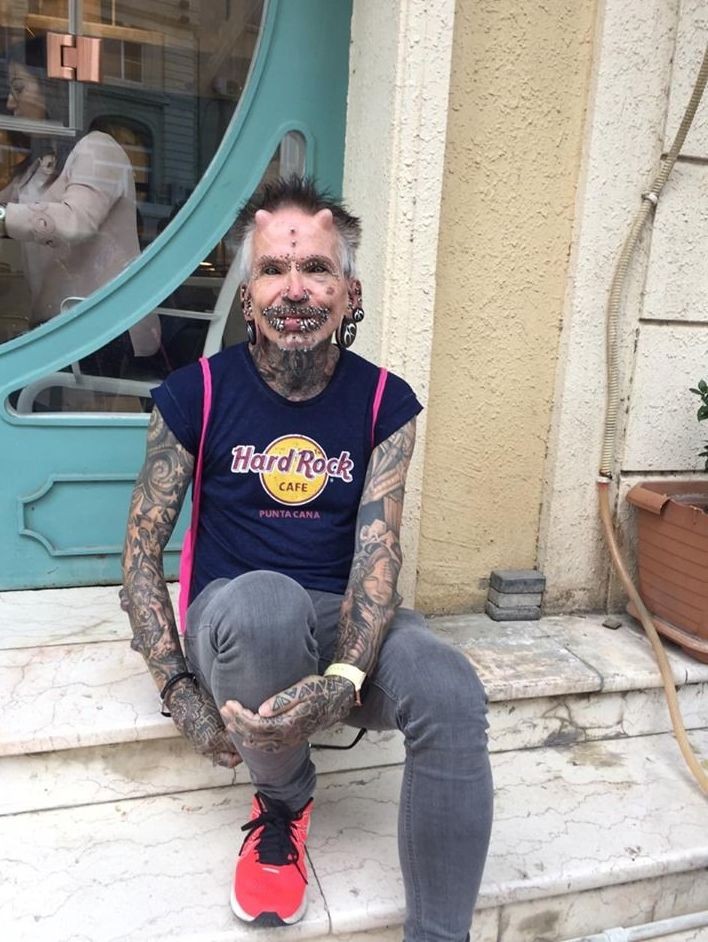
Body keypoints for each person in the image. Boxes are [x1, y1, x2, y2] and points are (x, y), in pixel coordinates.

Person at [121, 176, 493, 941]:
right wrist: (178, 688)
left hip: (342, 618)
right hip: (237, 618)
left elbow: (379, 551)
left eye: (316, 268)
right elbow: (139, 554)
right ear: (248, 296)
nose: (294, 289)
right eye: (273, 269)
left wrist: (347, 675)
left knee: (449, 685)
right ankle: (283, 801)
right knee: (267, 605)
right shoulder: (196, 393)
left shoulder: (385, 401)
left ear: (350, 292)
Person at [0, 35, 159, 364]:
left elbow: (76, 221)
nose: (11, 104)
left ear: (52, 87)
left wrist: (4, 218)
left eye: (19, 88)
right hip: (58, 325)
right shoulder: (38, 167)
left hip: (103, 327)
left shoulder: (98, 148)